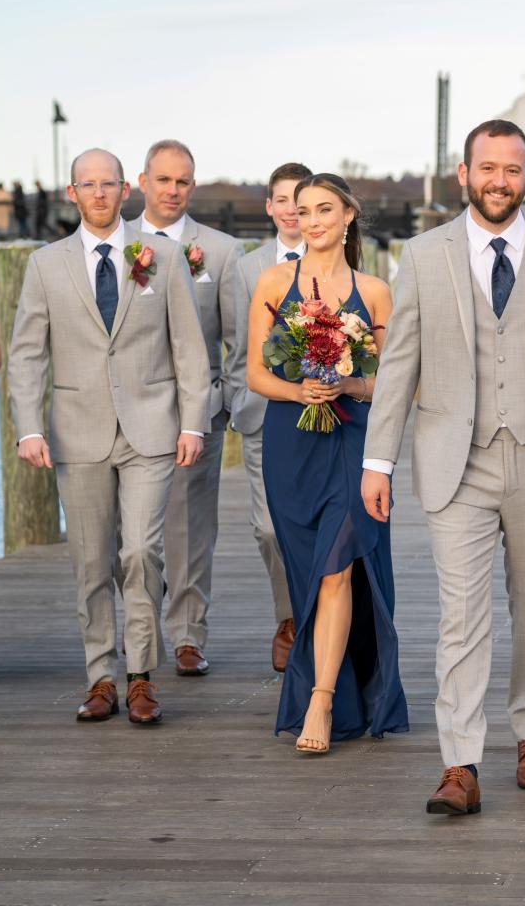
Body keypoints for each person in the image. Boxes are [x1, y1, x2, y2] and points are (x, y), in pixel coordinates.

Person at [361, 120, 525, 816]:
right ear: (463, 173)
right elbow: (399, 365)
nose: (499, 181)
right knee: (461, 614)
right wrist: (377, 460)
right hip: (455, 460)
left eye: (513, 169)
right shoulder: (422, 255)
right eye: (487, 168)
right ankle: (460, 762)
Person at [8, 148, 210, 725]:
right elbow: (26, 353)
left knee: (141, 550)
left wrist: (193, 421)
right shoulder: (46, 265)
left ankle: (142, 676)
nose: (98, 194)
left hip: (151, 426)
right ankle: (101, 676)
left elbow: (188, 347)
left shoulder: (163, 257)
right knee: (92, 561)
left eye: (108, 184)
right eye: (87, 185)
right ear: (72, 193)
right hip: (78, 431)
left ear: (126, 190)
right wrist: (28, 427)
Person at [246, 173, 405, 753]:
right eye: (302, 210)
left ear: (348, 217)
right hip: (292, 446)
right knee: (309, 574)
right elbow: (256, 373)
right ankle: (335, 685)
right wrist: (300, 392)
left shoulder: (377, 292)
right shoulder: (270, 281)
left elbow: (393, 380)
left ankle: (321, 699)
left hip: (355, 444)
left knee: (339, 567)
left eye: (323, 210)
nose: (310, 220)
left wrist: (350, 382)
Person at [131, 140, 243, 677]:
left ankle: (188, 634)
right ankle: (139, 632)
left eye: (183, 181)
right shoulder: (117, 244)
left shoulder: (219, 251)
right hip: (125, 414)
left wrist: (227, 406)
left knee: (191, 528)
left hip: (196, 412)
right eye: (164, 180)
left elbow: (238, 340)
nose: (173, 190)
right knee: (130, 536)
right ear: (142, 181)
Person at [228, 161, 311, 672]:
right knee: (266, 528)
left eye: (300, 203)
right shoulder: (247, 267)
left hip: (324, 412)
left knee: (311, 523)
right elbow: (240, 345)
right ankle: (288, 616)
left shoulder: (336, 260)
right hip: (262, 411)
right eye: (282, 201)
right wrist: (240, 398)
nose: (290, 212)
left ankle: (313, 619)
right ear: (269, 207)